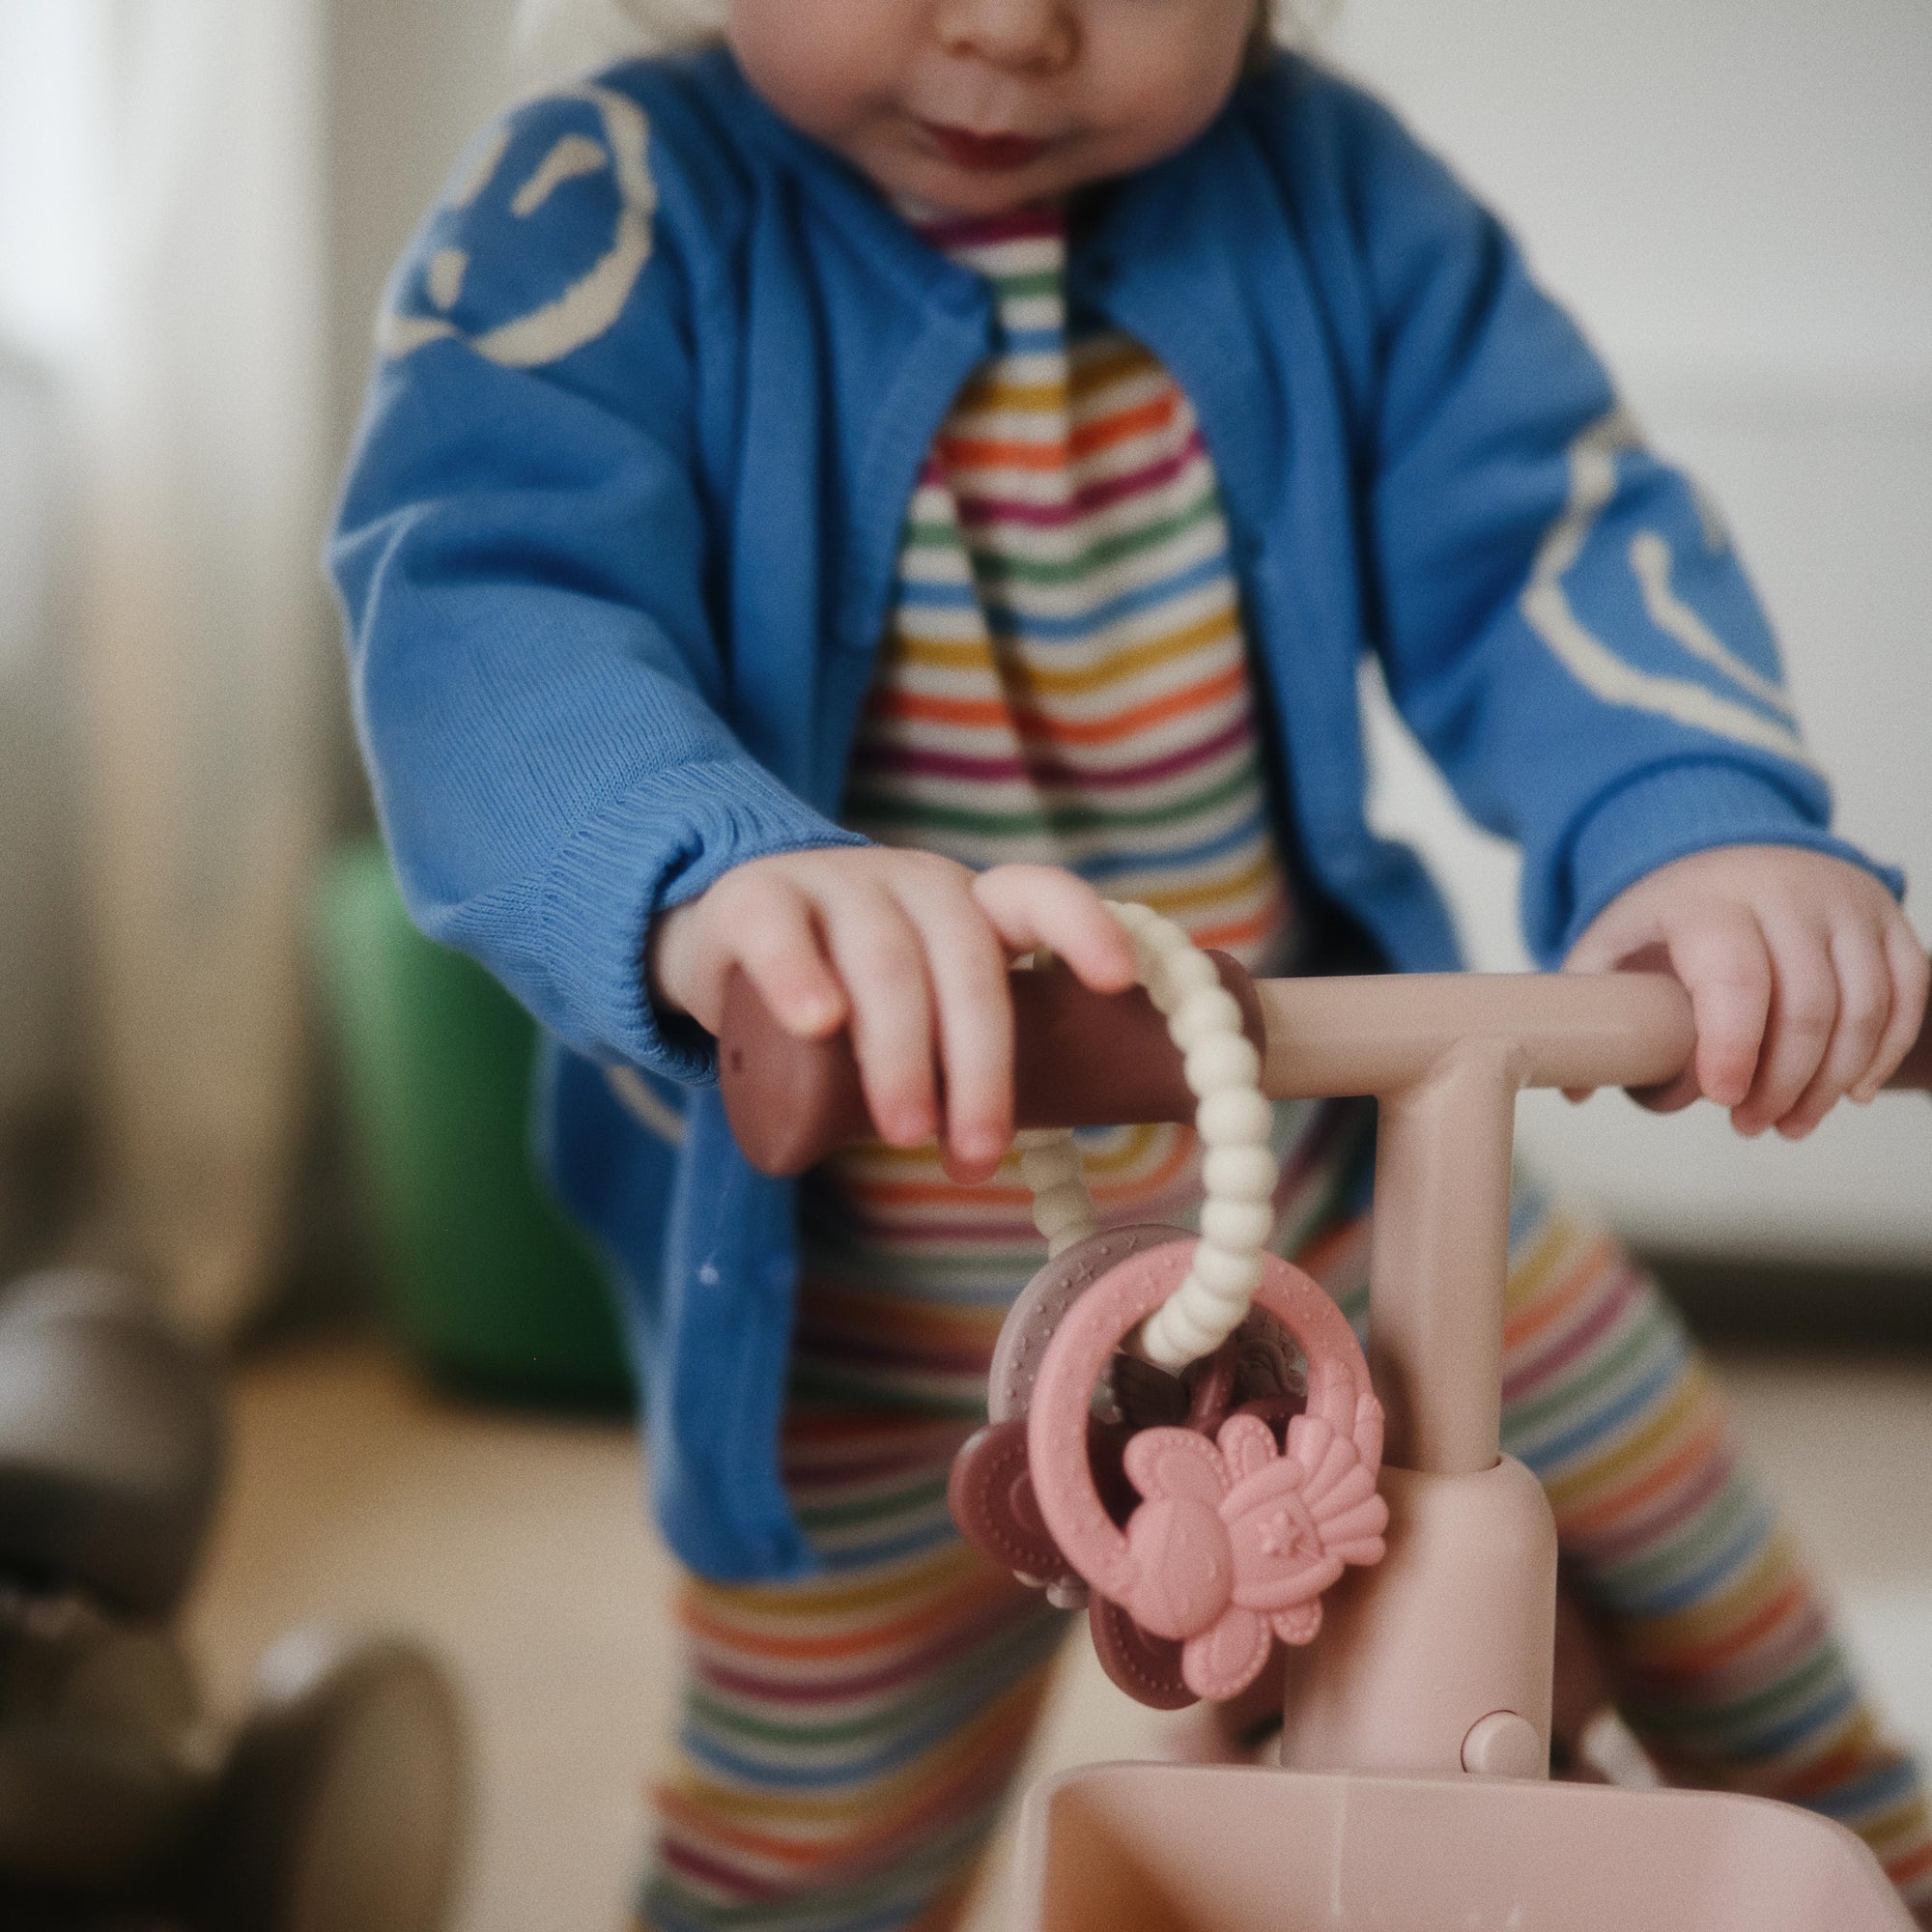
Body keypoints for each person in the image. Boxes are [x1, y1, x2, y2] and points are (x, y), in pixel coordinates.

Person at [330, 3, 1932, 1925]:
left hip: (1381, 1222)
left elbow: (1546, 539)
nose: (1011, 23)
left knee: (1771, 1693)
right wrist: (705, 867)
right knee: (799, 1875)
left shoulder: (1335, 196)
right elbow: (492, 597)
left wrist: (1701, 819)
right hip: (862, 1348)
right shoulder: (599, 208)